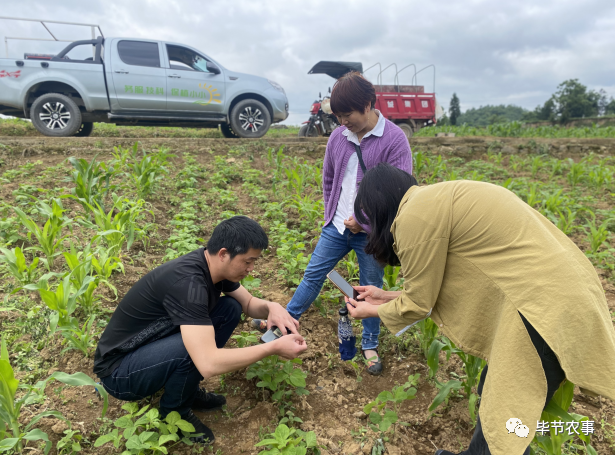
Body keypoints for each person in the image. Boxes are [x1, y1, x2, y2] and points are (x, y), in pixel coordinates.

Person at [345, 163, 615, 455]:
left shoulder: (413, 217)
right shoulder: (436, 199)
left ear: (382, 211)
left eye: (368, 223)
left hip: (539, 308)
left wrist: (368, 311)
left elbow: (418, 304)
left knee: (507, 413)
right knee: (496, 391)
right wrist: (386, 295)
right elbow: (444, 283)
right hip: (560, 294)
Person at [93, 216, 307, 445]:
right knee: (194, 350)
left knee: (230, 308)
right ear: (224, 254)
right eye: (248, 261)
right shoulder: (189, 283)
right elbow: (209, 362)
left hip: (149, 349)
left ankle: (184, 389)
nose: (251, 269)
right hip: (119, 373)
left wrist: (272, 308)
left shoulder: (211, 265)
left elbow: (247, 303)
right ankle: (174, 412)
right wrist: (272, 347)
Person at [253, 71, 412, 375]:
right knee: (313, 275)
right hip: (336, 227)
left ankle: (369, 344)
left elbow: (399, 194)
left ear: (367, 104)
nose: (342, 122)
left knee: (369, 289)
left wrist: (363, 222)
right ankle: (284, 323)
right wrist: (332, 214)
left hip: (371, 234)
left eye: (347, 114)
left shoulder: (394, 140)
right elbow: (329, 179)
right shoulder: (339, 137)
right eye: (337, 116)